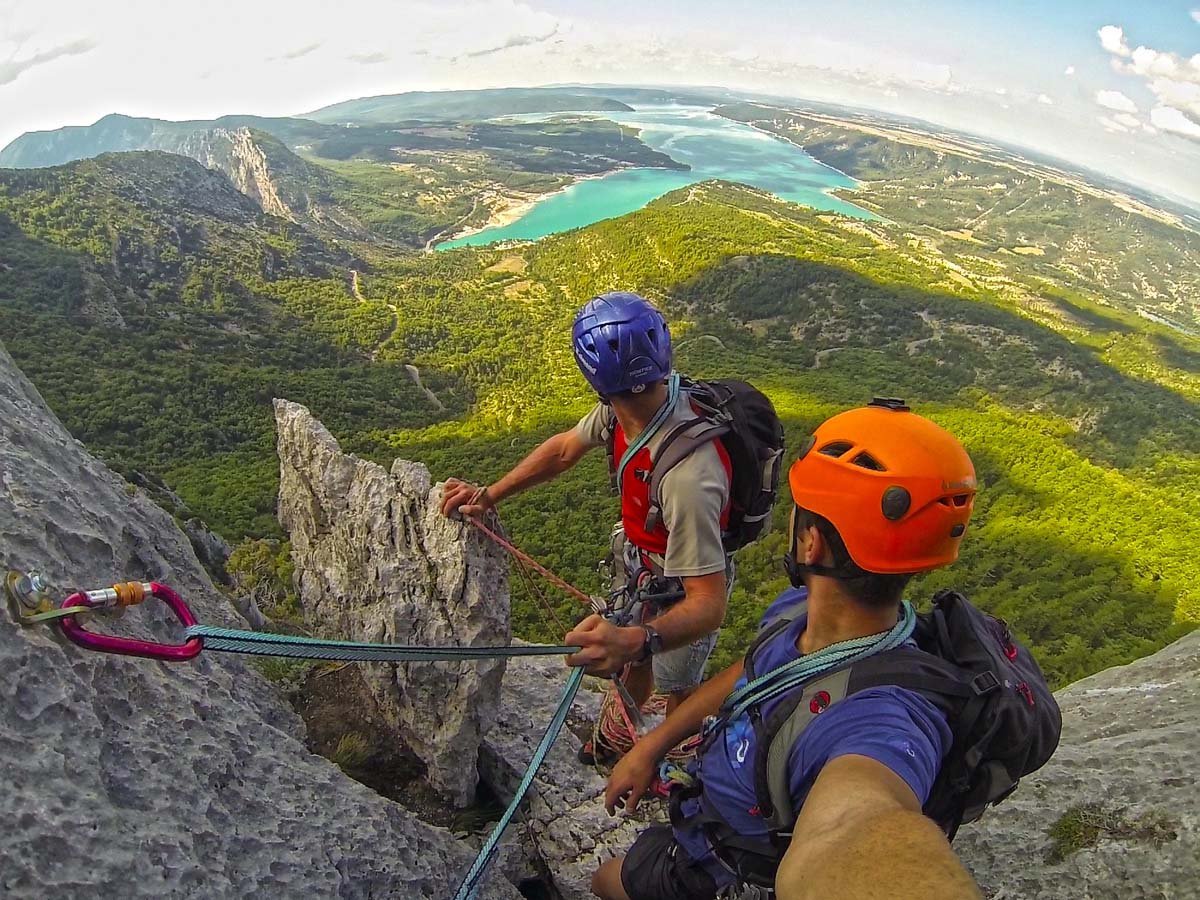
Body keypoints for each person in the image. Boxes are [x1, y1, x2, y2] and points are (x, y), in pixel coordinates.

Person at [592, 400, 984, 900]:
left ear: (811, 544)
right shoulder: (798, 612)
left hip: (726, 871)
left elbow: (857, 821)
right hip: (706, 826)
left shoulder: (881, 721)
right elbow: (753, 670)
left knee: (602, 883)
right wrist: (652, 745)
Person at [440, 291, 734, 734]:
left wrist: (637, 639)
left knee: (679, 682)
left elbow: (708, 605)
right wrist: (488, 494)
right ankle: (623, 730)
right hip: (643, 562)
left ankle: (672, 759)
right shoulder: (625, 413)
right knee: (635, 659)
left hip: (684, 579)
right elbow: (562, 451)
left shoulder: (688, 479)